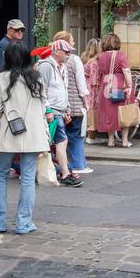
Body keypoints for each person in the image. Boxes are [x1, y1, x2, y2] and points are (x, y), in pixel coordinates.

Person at [0, 42, 50, 234]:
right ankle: (24, 223)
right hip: (33, 133)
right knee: (28, 177)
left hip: (9, 131)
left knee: (0, 175)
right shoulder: (37, 78)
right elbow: (44, 104)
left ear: (7, 58)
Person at [38, 40, 83, 187]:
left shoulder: (62, 68)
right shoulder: (46, 66)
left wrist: (67, 109)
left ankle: (61, 172)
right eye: (66, 52)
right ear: (56, 52)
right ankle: (65, 174)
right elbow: (41, 90)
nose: (68, 54)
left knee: (55, 142)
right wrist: (48, 110)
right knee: (61, 141)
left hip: (58, 110)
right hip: (52, 110)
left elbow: (63, 90)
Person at [53, 33, 92, 176]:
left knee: (62, 138)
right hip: (74, 105)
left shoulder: (51, 61)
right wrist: (86, 101)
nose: (74, 43)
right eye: (72, 41)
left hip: (59, 106)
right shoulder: (75, 59)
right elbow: (81, 83)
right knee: (76, 136)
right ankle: (78, 164)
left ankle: (65, 165)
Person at [92, 33, 134, 148]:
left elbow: (98, 73)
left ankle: (111, 140)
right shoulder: (121, 55)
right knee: (123, 112)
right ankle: (125, 141)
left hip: (105, 87)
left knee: (109, 113)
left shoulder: (100, 57)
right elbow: (126, 71)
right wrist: (129, 85)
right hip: (119, 86)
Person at [82, 38, 101, 140]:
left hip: (85, 86)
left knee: (87, 108)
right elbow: (94, 80)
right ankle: (91, 136)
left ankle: (88, 134)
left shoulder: (84, 58)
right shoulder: (94, 62)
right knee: (92, 110)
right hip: (91, 88)